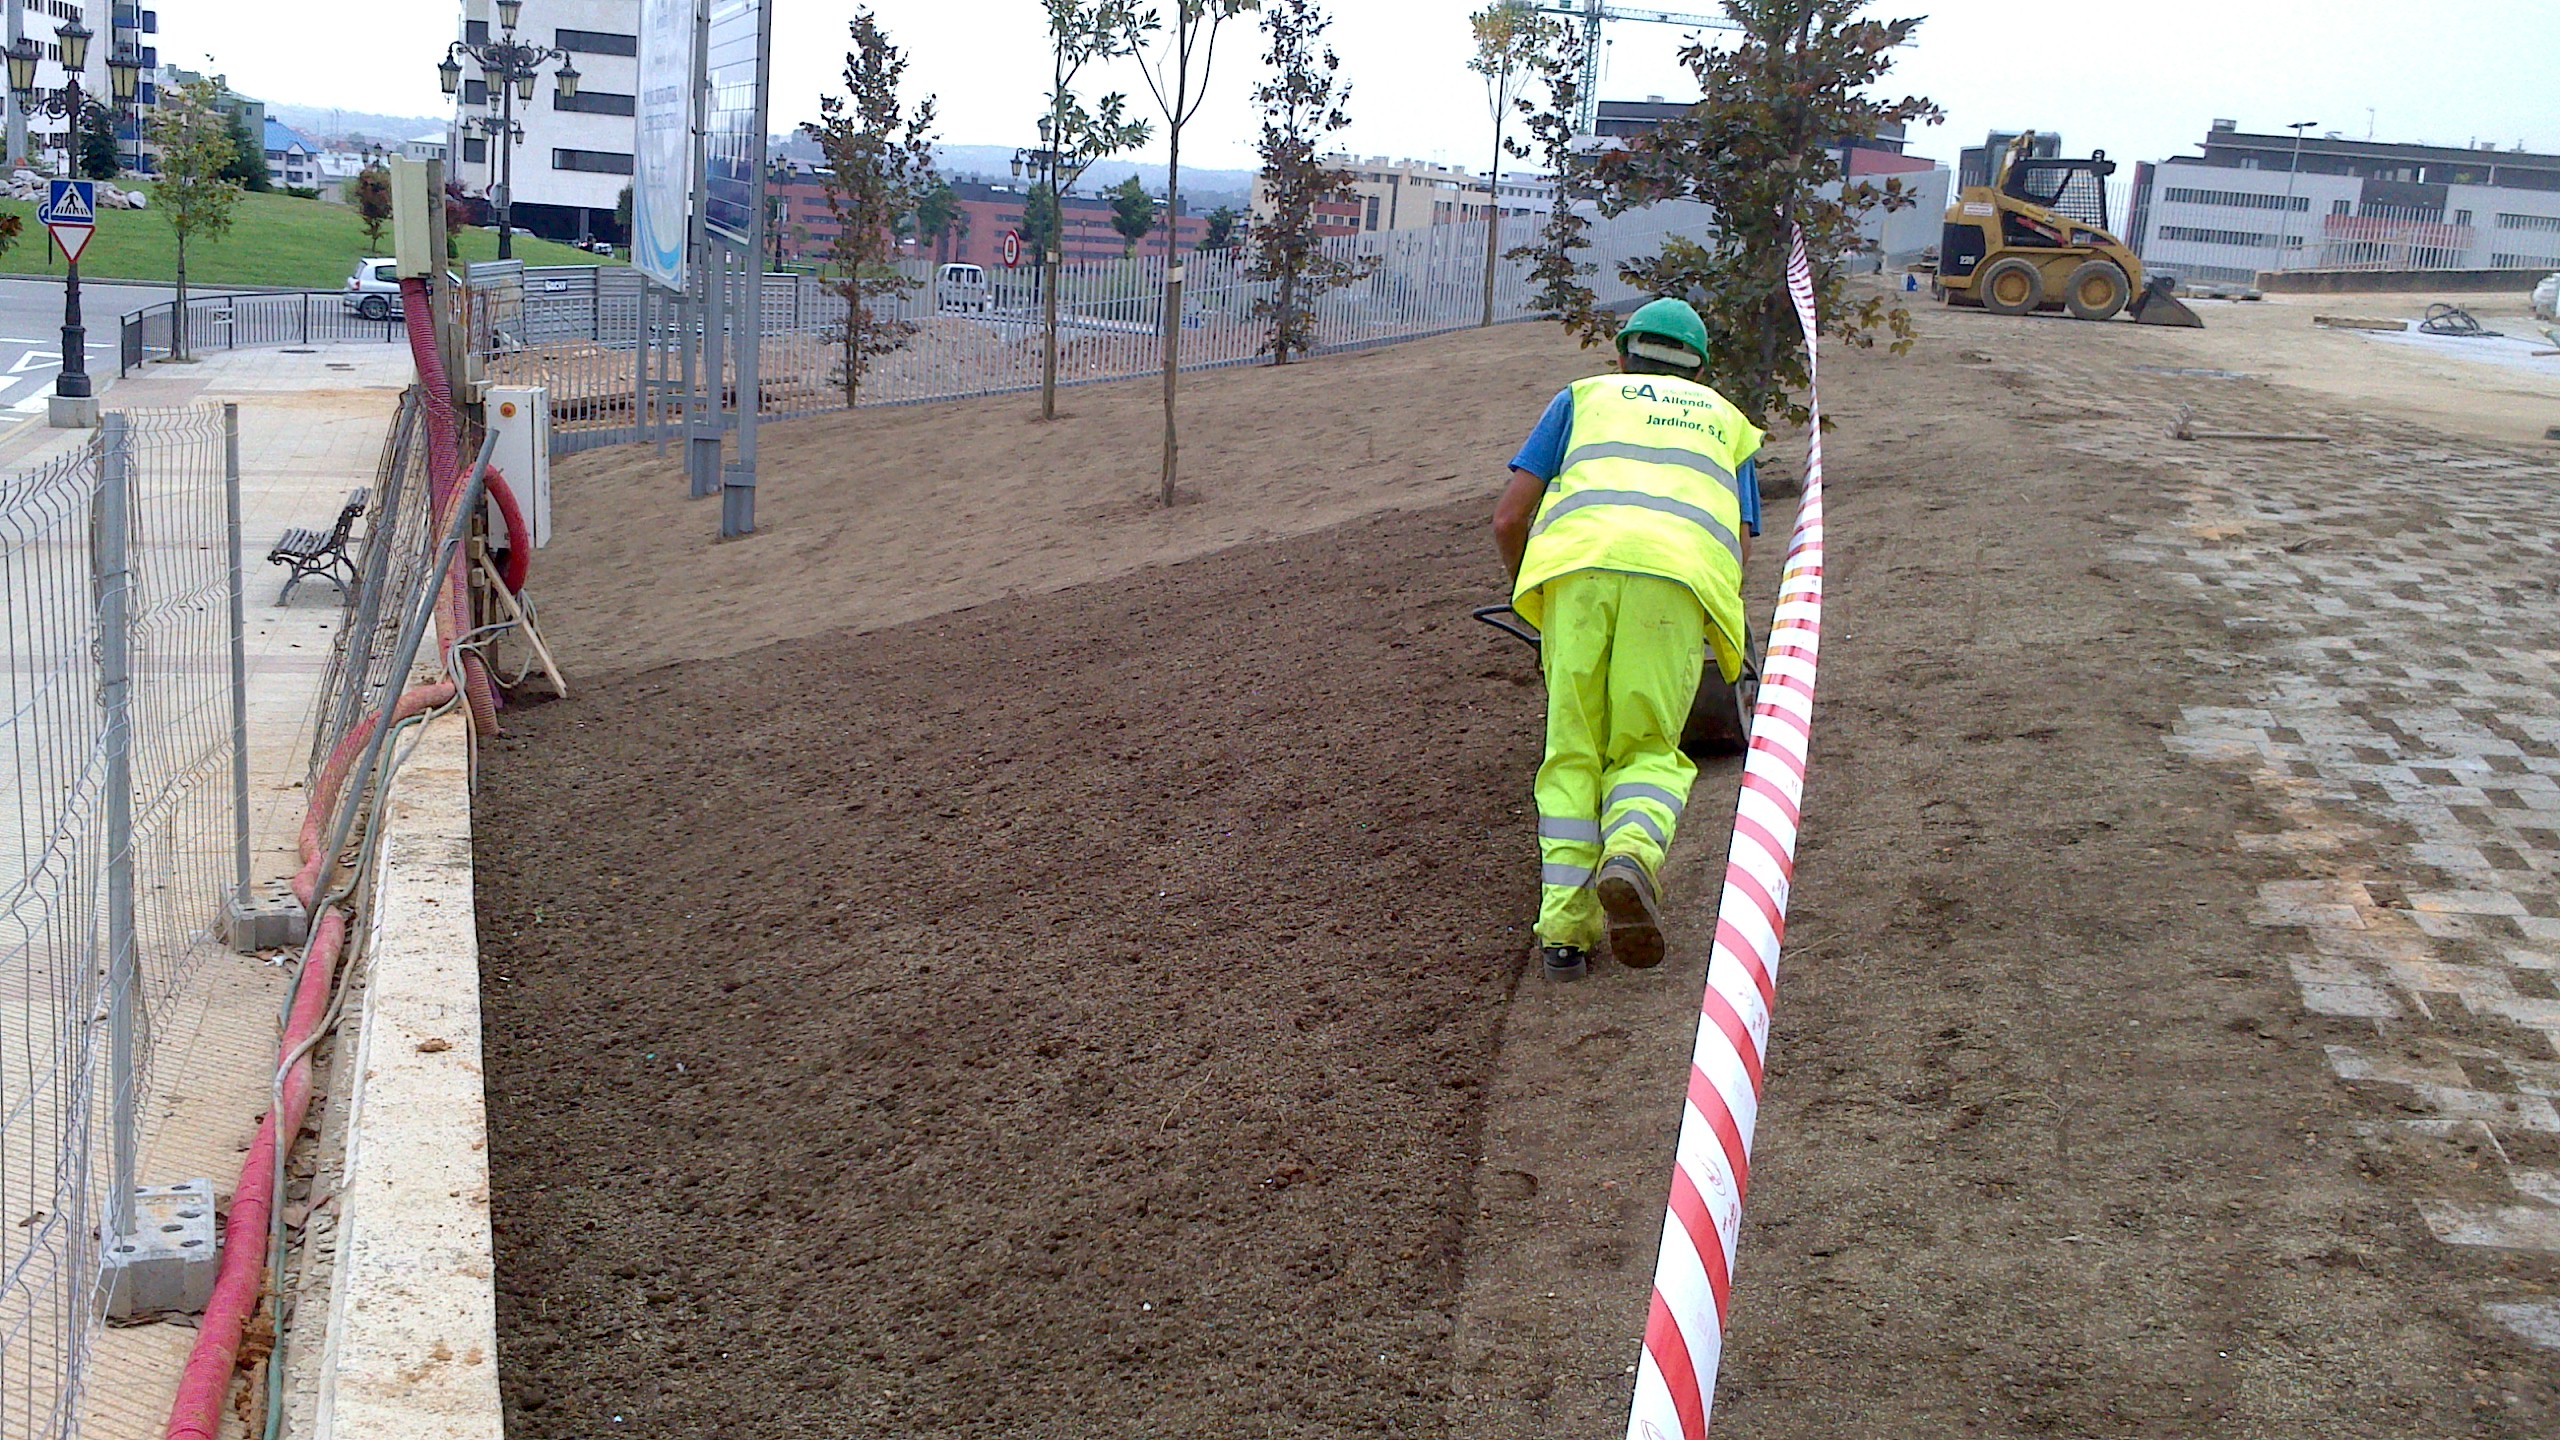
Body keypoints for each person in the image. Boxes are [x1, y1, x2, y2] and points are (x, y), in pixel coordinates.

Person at [1493, 298, 1764, 983]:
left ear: (1620, 357)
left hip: (1576, 581)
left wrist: (1537, 600)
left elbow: (1509, 519)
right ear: (1701, 371)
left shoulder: (1580, 399)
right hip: (1674, 587)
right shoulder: (1728, 424)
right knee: (1646, 748)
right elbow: (1737, 547)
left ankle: (1564, 937)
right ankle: (1631, 855)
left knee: (1572, 753)